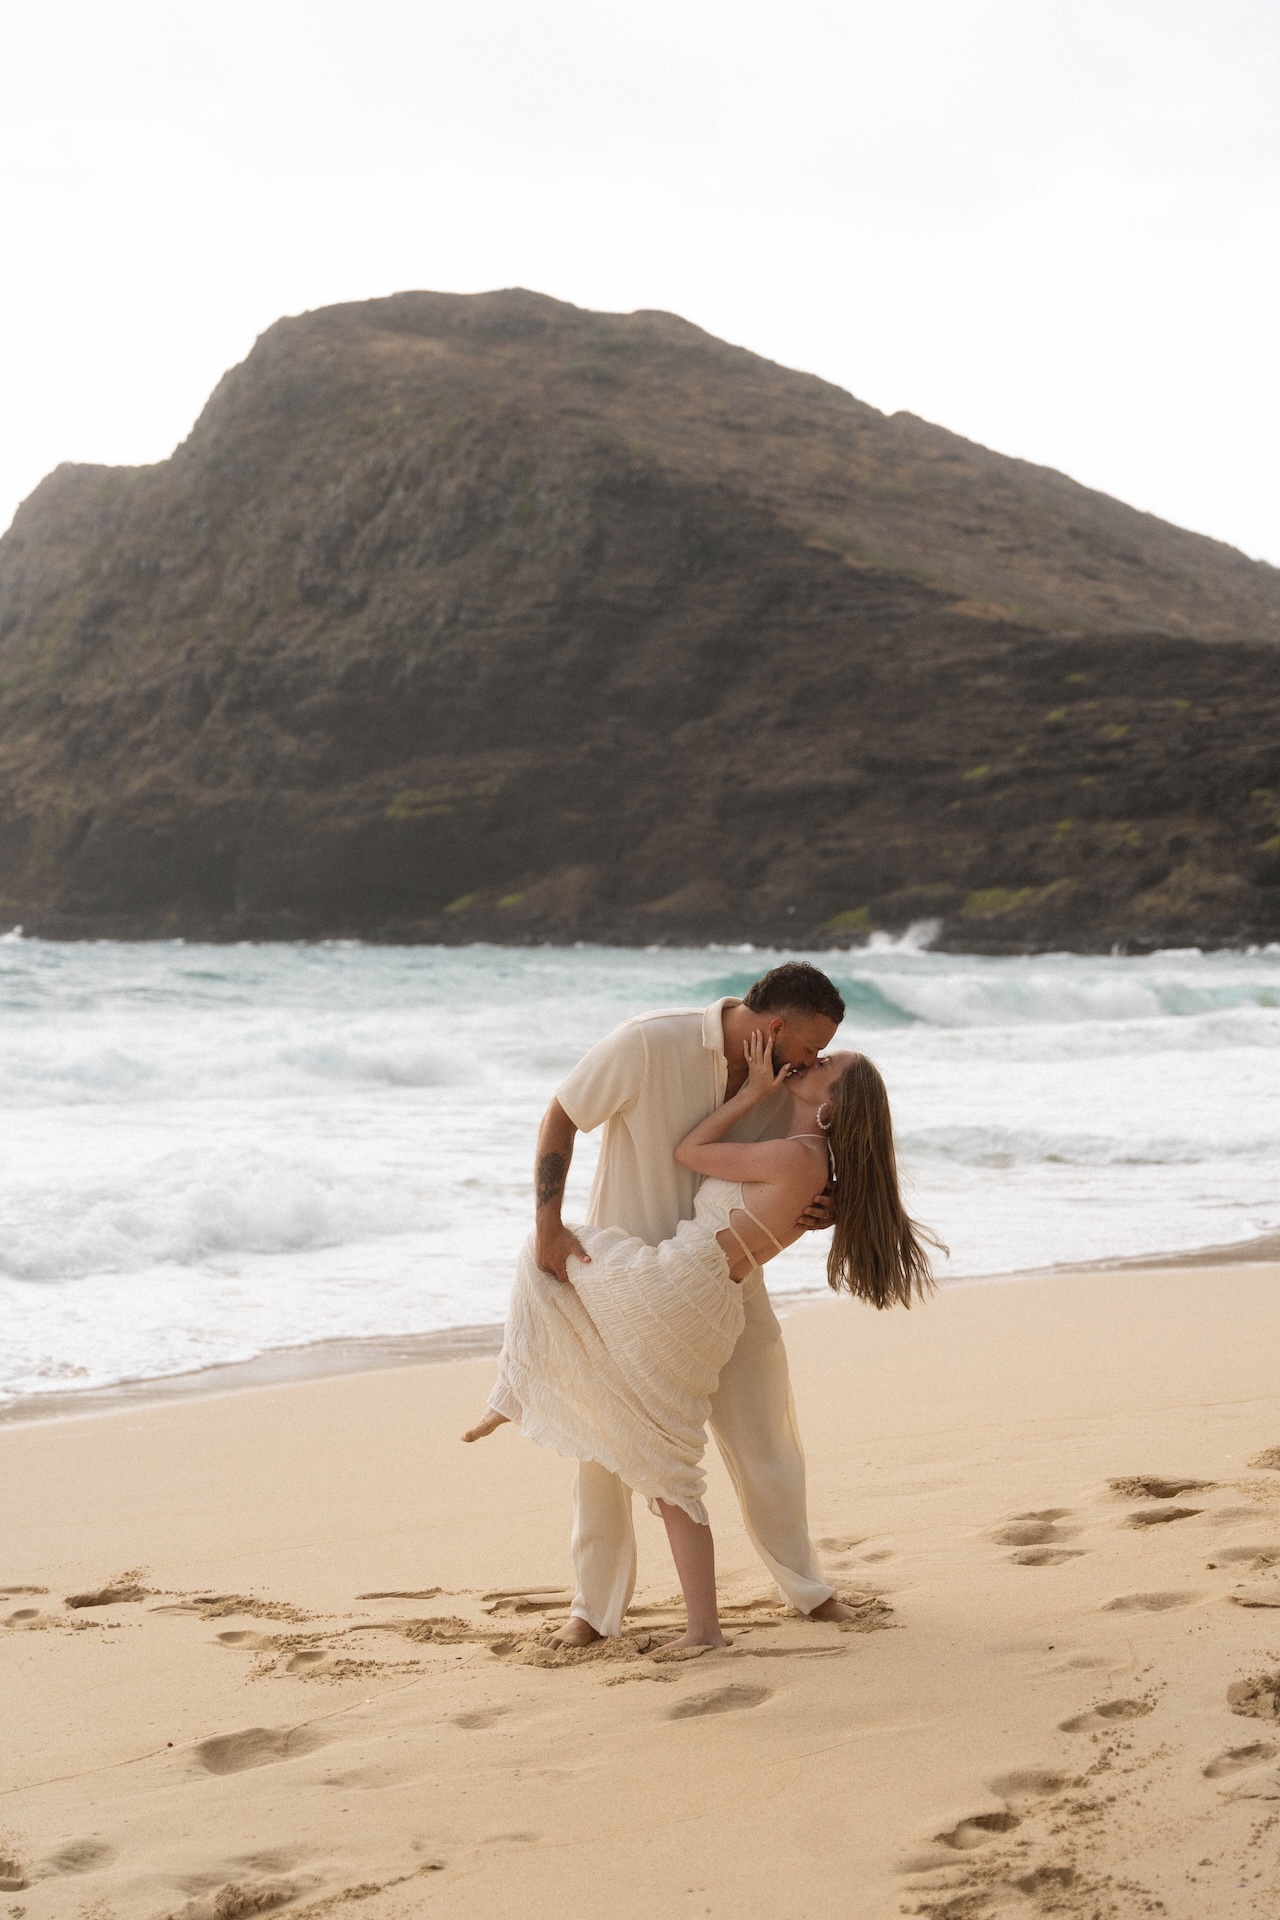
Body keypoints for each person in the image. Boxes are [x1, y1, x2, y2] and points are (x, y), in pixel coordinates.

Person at [463, 962, 935, 1645]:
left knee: (766, 1439)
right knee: (604, 1450)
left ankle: (808, 1589)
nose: (813, 1060)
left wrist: (824, 1209)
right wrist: (547, 1223)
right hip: (634, 1273)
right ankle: (592, 1611)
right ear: (776, 1028)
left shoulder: (787, 1084)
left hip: (722, 1286)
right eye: (811, 1048)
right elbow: (562, 1115)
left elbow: (806, 1164)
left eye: (819, 1059)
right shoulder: (648, 1044)